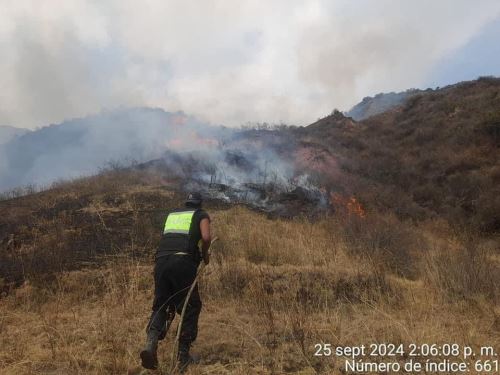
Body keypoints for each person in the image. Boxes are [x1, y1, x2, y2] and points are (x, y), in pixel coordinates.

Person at [140, 192, 211, 371]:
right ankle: (183, 355)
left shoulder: (173, 215)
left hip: (161, 262)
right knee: (191, 306)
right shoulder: (201, 214)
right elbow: (206, 237)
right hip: (182, 263)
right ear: (200, 204)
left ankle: (151, 342)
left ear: (186, 202)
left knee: (162, 304)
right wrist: (205, 254)